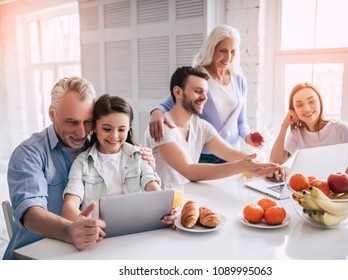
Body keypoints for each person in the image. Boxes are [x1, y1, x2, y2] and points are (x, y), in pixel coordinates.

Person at [3, 77, 155, 260]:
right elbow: (31, 213)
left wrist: (146, 166)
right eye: (72, 122)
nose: (82, 133)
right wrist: (69, 231)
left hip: (89, 251)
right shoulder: (28, 154)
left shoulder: (100, 146)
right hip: (34, 255)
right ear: (52, 114)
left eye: (88, 122)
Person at [144, 66, 282, 186]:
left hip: (188, 198)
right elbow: (189, 170)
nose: (204, 97)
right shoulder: (161, 128)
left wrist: (265, 167)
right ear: (178, 92)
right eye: (198, 91)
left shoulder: (202, 126)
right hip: (162, 205)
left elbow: (231, 153)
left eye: (205, 92)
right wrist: (241, 167)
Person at [149, 24, 263, 164]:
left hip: (231, 153)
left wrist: (248, 137)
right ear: (212, 49)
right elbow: (168, 103)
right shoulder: (198, 76)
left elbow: (241, 121)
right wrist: (156, 113)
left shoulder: (239, 80)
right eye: (223, 51)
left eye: (233, 51)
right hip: (204, 154)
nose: (228, 57)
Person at [62, 94, 176, 227]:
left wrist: (167, 210)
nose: (114, 136)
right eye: (106, 129)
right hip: (98, 234)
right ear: (94, 127)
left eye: (121, 129)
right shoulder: (82, 163)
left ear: (129, 128)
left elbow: (153, 187)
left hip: (136, 228)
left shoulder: (139, 155)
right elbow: (70, 205)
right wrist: (83, 225)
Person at [270, 82, 348, 177]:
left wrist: (333, 171)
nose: (307, 108)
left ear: (320, 103)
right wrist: (284, 126)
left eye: (311, 101)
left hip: (337, 191)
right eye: (299, 105)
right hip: (310, 190)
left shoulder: (339, 128)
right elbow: (275, 162)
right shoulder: (297, 134)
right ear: (293, 110)